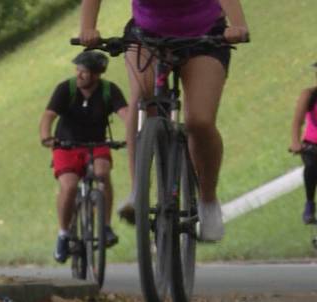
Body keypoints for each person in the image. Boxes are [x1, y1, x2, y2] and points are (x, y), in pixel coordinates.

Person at [79, 0, 249, 242]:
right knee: (141, 99)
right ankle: (138, 190)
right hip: (146, 35)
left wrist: (238, 25)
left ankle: (208, 201)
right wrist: (88, 28)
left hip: (205, 36)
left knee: (199, 121)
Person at [39, 51, 129, 263]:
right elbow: (48, 116)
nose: (78, 75)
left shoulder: (109, 90)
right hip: (65, 145)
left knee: (102, 172)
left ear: (97, 75)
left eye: (84, 72)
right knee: (69, 187)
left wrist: (133, 133)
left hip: (97, 144)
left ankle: (105, 227)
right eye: (77, 70)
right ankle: (63, 234)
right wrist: (46, 137)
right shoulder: (66, 88)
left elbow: (125, 114)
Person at [290, 62, 317, 224]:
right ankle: (309, 203)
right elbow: (297, 122)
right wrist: (295, 142)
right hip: (311, 146)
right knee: (312, 167)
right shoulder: (309, 95)